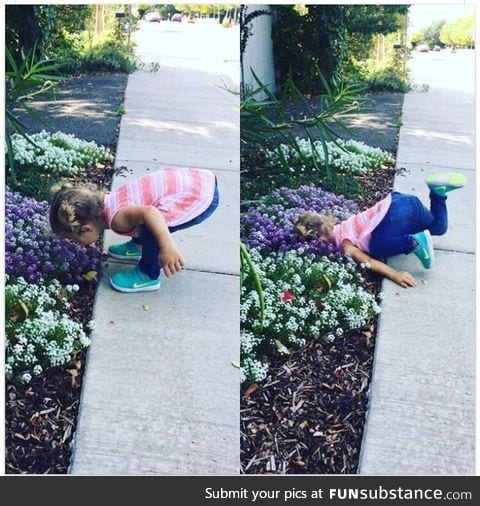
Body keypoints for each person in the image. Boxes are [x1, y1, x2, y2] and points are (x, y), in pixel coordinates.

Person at [50, 168, 219, 293]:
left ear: (86, 229)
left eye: (73, 239)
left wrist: (167, 247)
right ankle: (138, 245)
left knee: (152, 230)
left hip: (198, 197)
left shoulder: (118, 219)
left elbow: (150, 213)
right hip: (199, 181)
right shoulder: (109, 202)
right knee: (144, 222)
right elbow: (141, 212)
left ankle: (148, 274)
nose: (75, 244)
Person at [294, 172, 466, 288]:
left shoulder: (346, 245)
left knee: (375, 247)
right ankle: (438, 192)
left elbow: (367, 261)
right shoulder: (345, 225)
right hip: (405, 203)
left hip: (396, 213)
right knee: (438, 227)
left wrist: (394, 274)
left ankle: (413, 242)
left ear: (319, 238)